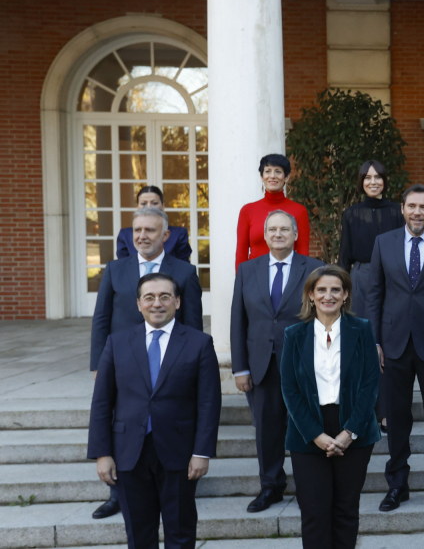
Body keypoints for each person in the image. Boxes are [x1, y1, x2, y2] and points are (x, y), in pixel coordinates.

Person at [87, 272, 220, 549]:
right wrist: (102, 453)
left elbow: (208, 403)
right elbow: (101, 402)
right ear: (138, 304)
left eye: (164, 297)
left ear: (178, 301)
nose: (156, 303)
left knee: (181, 533)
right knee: (139, 535)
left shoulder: (199, 343)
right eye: (149, 297)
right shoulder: (117, 343)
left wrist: (202, 452)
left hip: (180, 453)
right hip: (128, 453)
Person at [89, 206, 204, 520]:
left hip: (168, 366)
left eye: (150, 231)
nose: (142, 236)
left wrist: (194, 366)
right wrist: (99, 364)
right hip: (122, 365)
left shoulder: (184, 272)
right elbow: (101, 320)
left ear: (165, 235)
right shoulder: (115, 270)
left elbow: (193, 325)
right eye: (136, 231)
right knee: (123, 426)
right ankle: (118, 494)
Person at [363, 183, 424, 511]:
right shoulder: (384, 243)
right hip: (392, 344)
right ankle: (397, 484)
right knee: (395, 415)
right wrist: (375, 340)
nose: (417, 212)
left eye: (423, 207)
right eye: (411, 206)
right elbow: (374, 294)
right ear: (402, 210)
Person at [279, 265, 381, 549]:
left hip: (354, 429)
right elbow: (290, 389)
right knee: (314, 512)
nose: (328, 295)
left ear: (346, 294)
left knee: (346, 510)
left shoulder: (362, 329)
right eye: (321, 290)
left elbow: (370, 384)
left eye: (336, 289)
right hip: (308, 431)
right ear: (311, 295)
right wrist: (316, 435)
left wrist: (349, 432)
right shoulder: (294, 334)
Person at [230, 210, 324, 513]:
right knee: (267, 429)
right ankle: (271, 486)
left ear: (296, 235)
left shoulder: (315, 268)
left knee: (305, 426)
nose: (278, 234)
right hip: (261, 364)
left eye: (285, 229)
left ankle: (310, 487)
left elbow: (325, 316)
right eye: (272, 229)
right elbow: (238, 321)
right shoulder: (247, 270)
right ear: (265, 235)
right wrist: (240, 367)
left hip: (303, 363)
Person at [337, 160, 404, 315]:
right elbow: (345, 253)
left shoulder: (397, 211)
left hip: (391, 275)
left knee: (390, 322)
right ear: (362, 181)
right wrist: (339, 284)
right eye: (367, 177)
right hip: (361, 275)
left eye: (377, 177)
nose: (372, 182)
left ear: (384, 181)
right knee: (359, 323)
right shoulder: (351, 213)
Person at [235, 153, 311, 268]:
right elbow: (241, 253)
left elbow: (303, 252)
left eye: (278, 171)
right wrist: (241, 282)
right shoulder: (247, 211)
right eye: (268, 171)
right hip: (255, 276)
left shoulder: (299, 211)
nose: (272, 176)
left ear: (287, 177)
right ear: (262, 176)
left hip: (288, 276)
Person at [115, 185, 192, 262]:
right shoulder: (125, 235)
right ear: (137, 207)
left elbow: (184, 268)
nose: (149, 207)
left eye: (154, 203)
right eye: (144, 203)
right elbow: (122, 267)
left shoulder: (178, 234)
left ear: (163, 207)